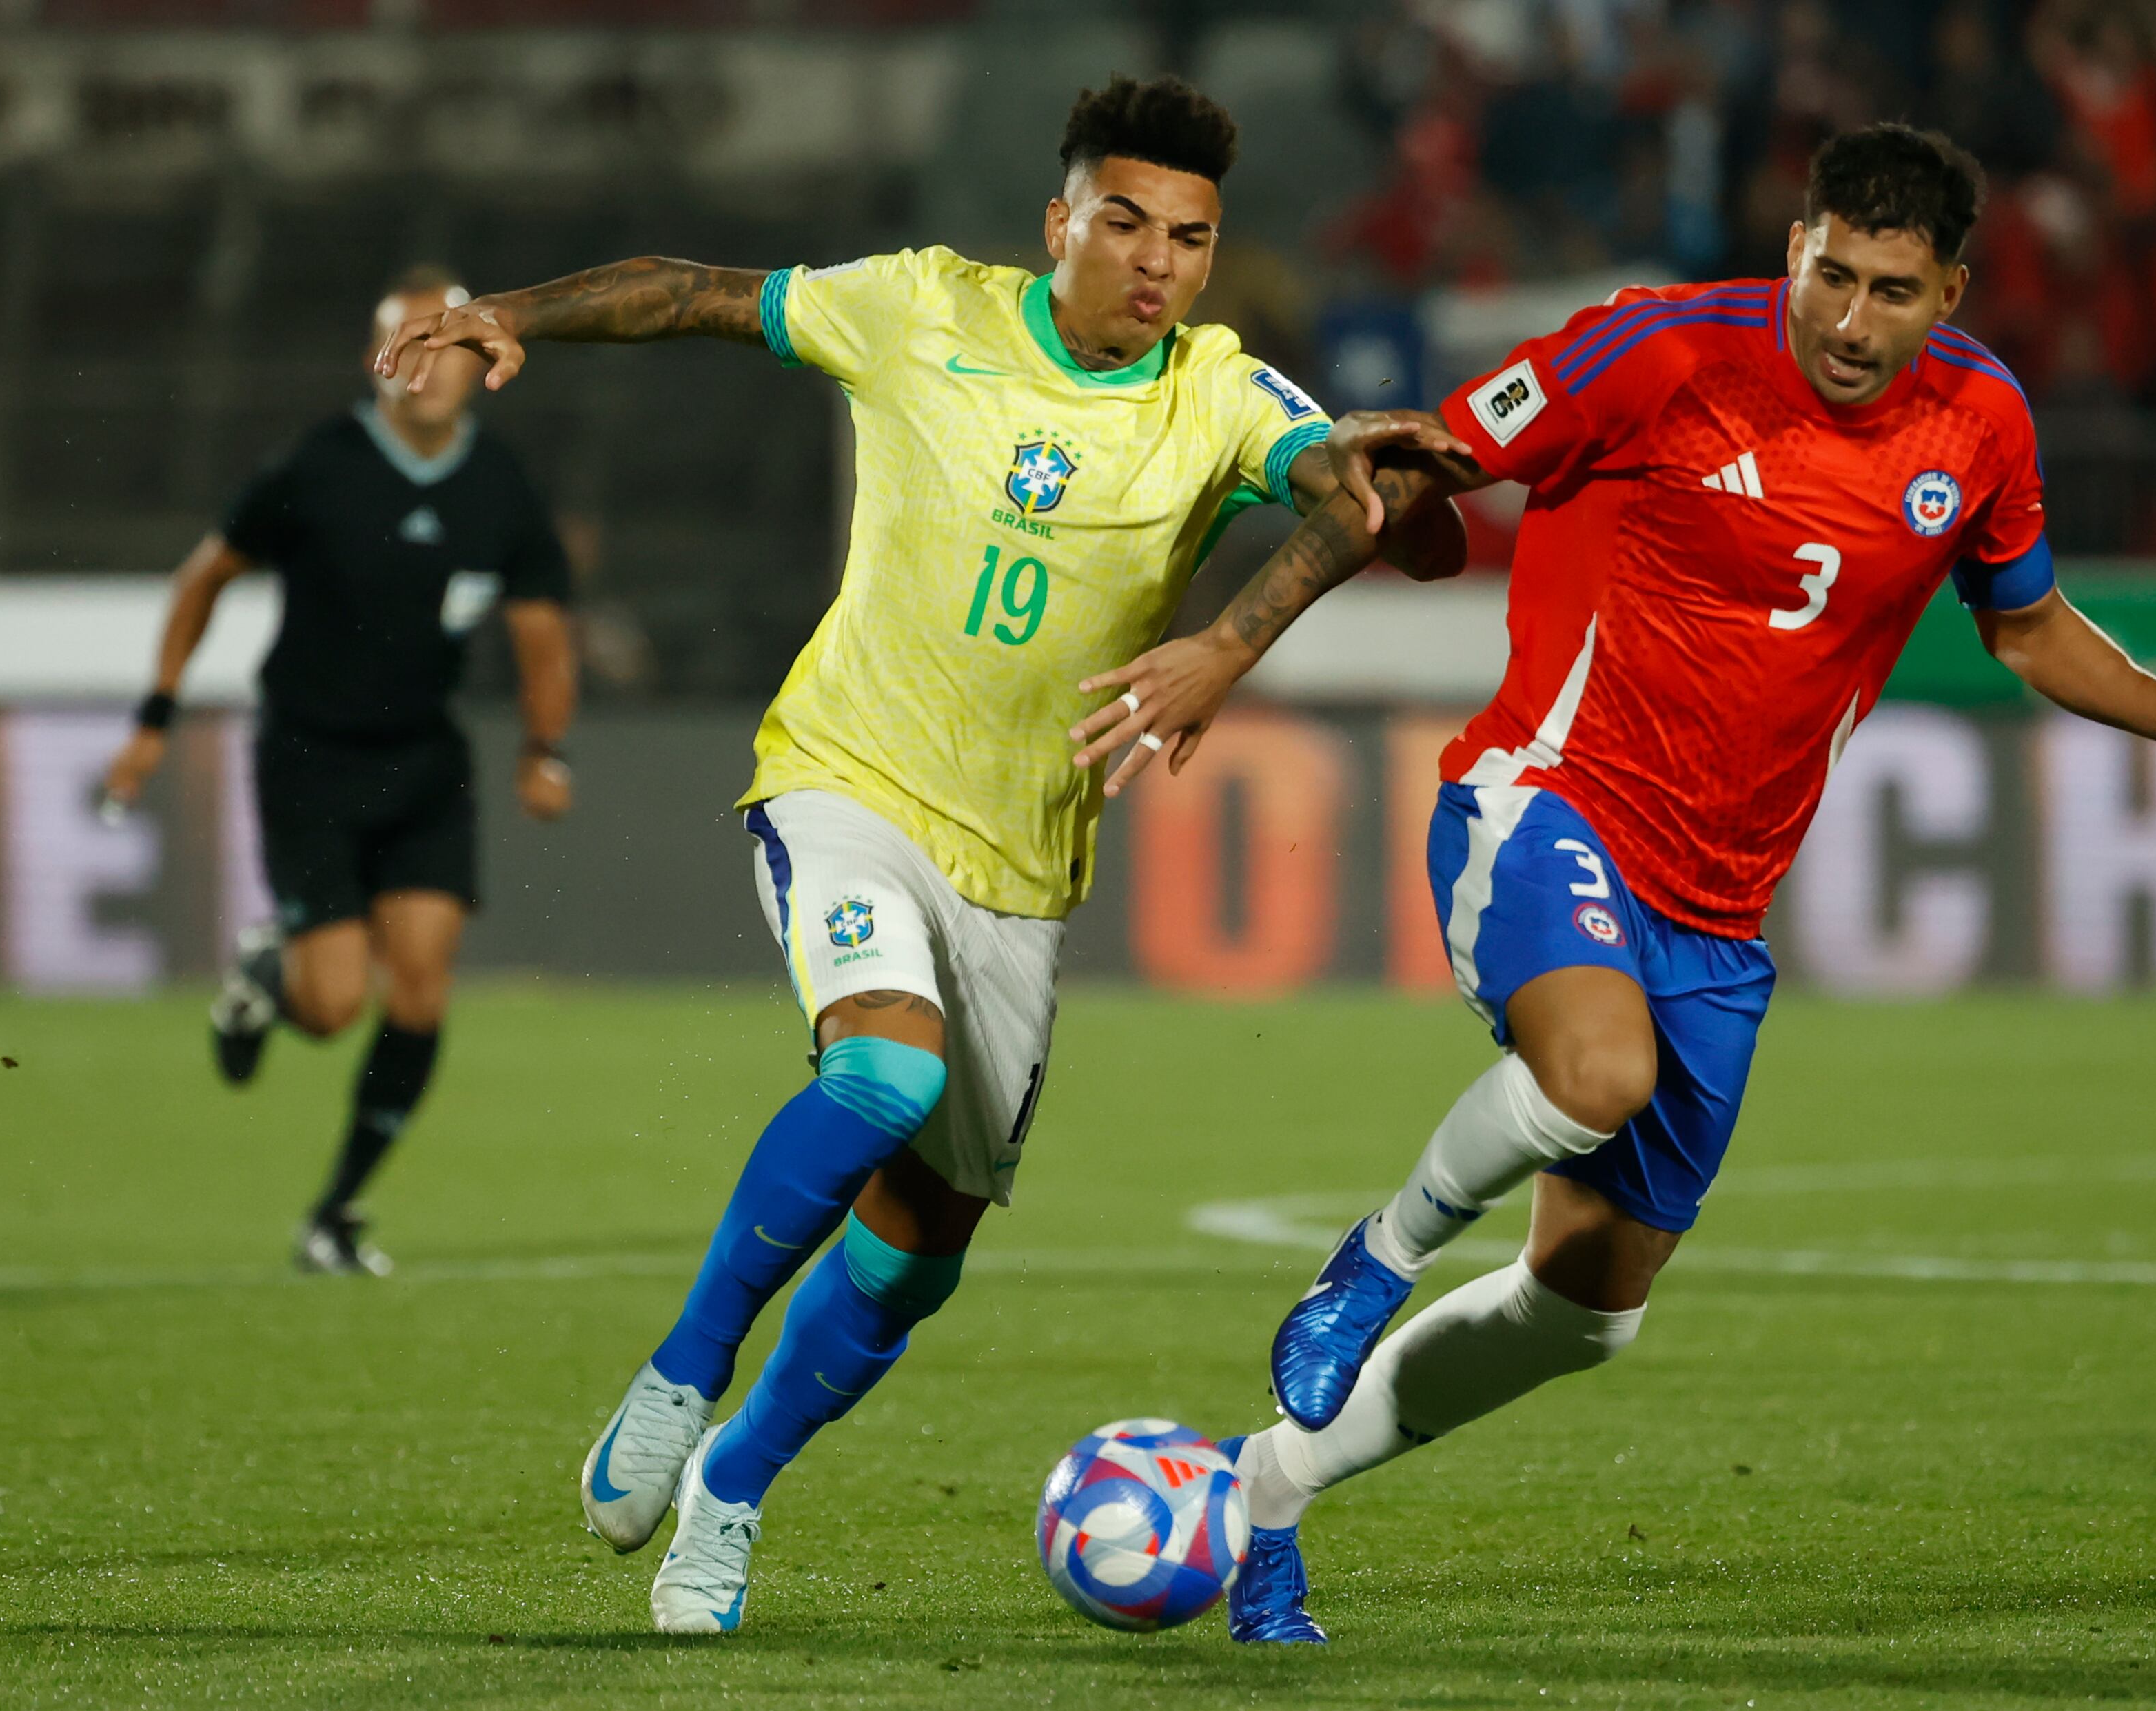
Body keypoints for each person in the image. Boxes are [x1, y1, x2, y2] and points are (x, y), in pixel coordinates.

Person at [1073, 123, 2156, 1645]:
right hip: (1547, 800)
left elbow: (2023, 622)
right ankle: (1372, 1260)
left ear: (1948, 293)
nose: (1849, 322)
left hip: (1716, 910)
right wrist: (1231, 641)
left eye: (1890, 292)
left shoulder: (1982, 421)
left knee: (1584, 1313)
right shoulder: (1656, 350)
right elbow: (1409, 467)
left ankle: (1266, 1488)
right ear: (1794, 246)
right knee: (1595, 1073)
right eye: (1829, 276)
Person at [372, 75, 1463, 1635]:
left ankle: (731, 1486)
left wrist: (1236, 633)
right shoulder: (918, 306)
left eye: (1190, 239)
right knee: (881, 1074)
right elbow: (693, 292)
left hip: (1017, 866)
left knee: (918, 1254)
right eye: (1125, 223)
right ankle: (682, 1374)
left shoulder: (1220, 393)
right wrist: (512, 314)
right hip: (848, 780)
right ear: (1057, 223)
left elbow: (1356, 490)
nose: (1155, 262)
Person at [104, 264, 578, 1278]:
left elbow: (542, 631)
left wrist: (546, 748)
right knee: (331, 1010)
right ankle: (267, 975)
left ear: (481, 359)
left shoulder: (501, 487)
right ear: (378, 362)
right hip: (310, 758)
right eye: (409, 347)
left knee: (422, 993)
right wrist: (155, 715)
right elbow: (206, 577)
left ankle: (336, 1211)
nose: (428, 368)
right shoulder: (318, 467)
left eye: (449, 345)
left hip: (425, 762)